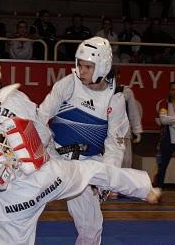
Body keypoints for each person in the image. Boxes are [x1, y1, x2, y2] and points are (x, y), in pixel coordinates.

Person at [0, 43, 161, 244]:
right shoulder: (16, 98)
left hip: (14, 199)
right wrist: (47, 155)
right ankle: (146, 190)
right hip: (48, 177)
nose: (82, 71)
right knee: (94, 170)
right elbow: (42, 132)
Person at [38, 36, 132, 244]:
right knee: (19, 204)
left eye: (88, 67)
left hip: (88, 164)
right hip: (55, 158)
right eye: (80, 65)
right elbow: (41, 118)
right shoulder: (68, 84)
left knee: (91, 225)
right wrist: (46, 152)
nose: (81, 71)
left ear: (103, 66)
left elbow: (114, 144)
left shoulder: (114, 97)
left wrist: (107, 178)